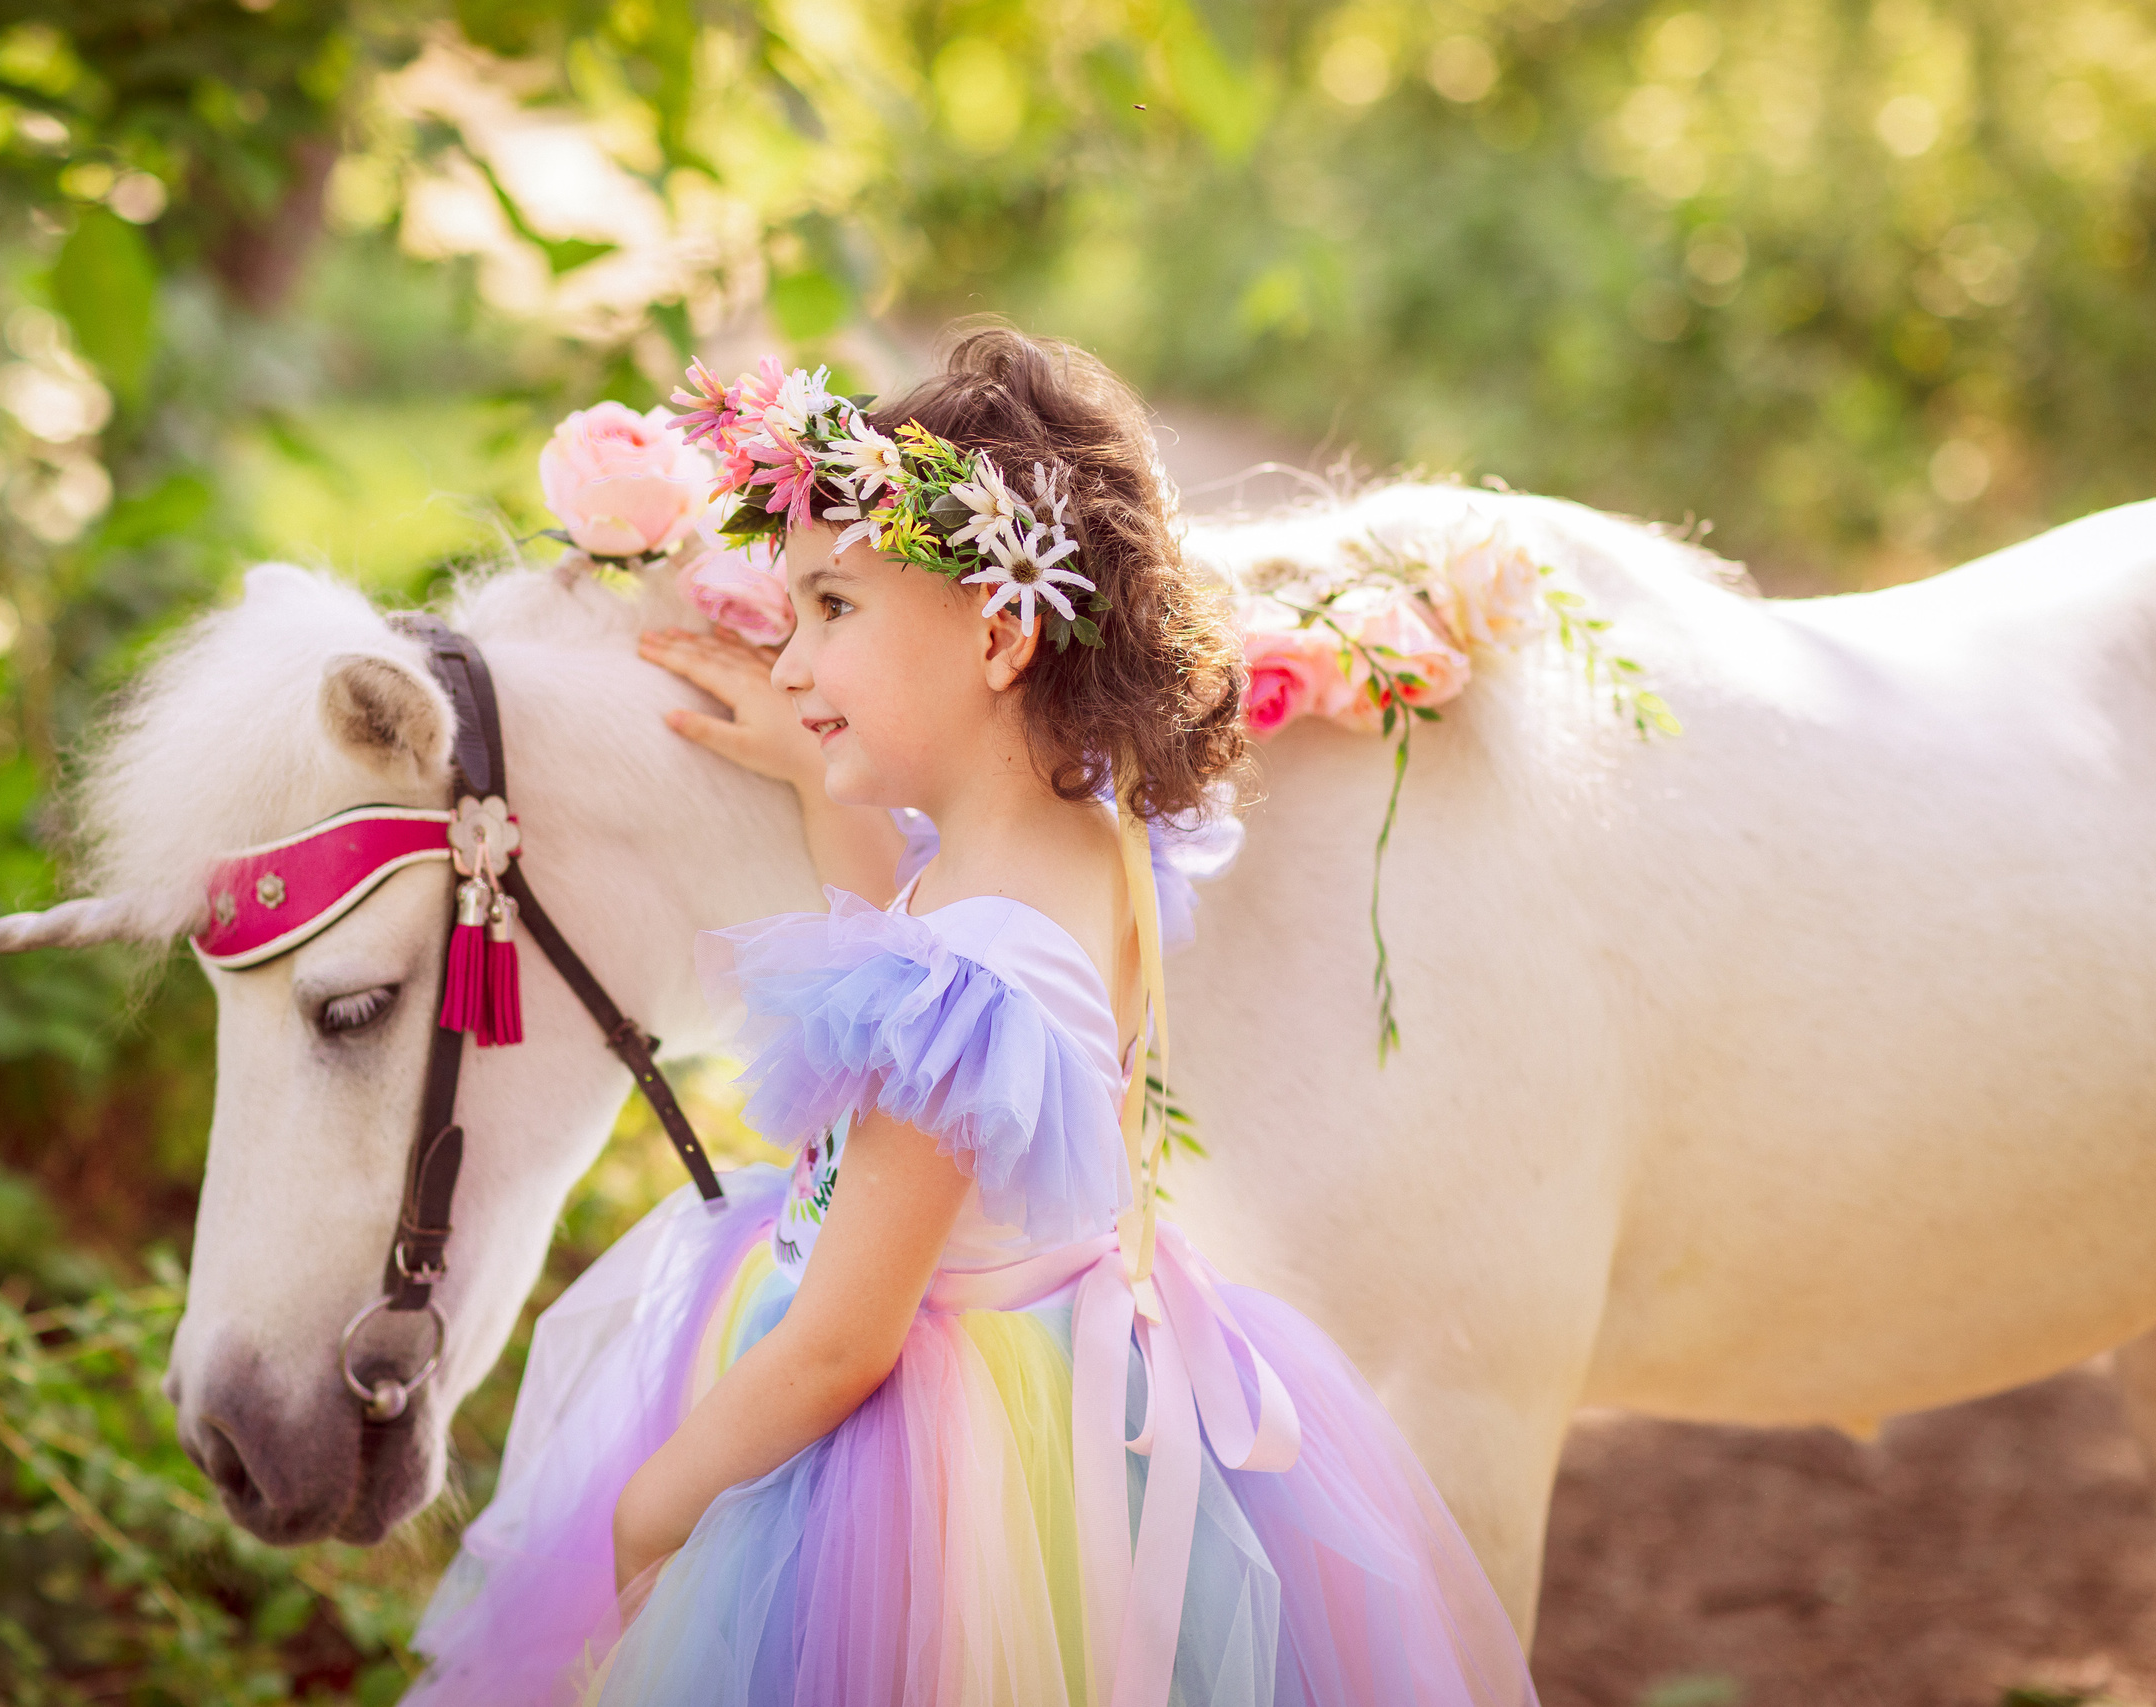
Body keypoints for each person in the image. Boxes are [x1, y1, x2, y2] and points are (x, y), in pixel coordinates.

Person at [407, 327, 1538, 1706]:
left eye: (833, 611)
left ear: (1002, 633)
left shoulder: (953, 989)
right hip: (1070, 1399)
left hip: (919, 1471)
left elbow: (837, 1345)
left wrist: (655, 1506)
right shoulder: (1102, 845)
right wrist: (824, 776)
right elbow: (906, 915)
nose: (795, 662)